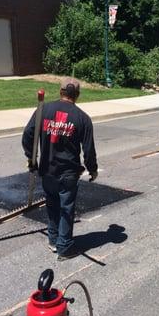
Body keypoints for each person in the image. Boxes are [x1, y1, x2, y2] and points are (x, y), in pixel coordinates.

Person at [22, 81, 98, 261]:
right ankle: (64, 247)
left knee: (52, 205)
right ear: (77, 95)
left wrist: (31, 158)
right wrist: (92, 170)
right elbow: (88, 150)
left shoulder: (44, 110)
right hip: (68, 172)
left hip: (47, 169)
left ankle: (53, 239)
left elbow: (28, 135)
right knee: (66, 208)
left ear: (61, 91)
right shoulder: (82, 118)